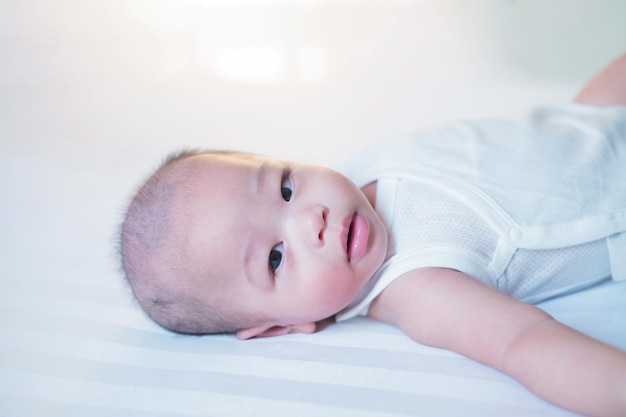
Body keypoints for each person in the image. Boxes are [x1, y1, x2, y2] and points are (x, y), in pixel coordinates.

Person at [120, 52, 626, 417]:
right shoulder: (417, 287)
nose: (308, 219)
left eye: (285, 185)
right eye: (275, 258)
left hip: (589, 120)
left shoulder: (352, 176)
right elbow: (526, 345)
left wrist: (585, 115)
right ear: (281, 326)